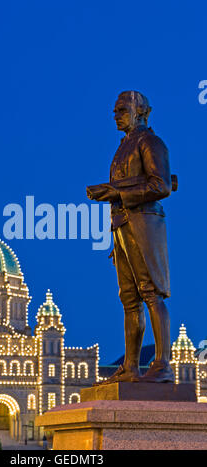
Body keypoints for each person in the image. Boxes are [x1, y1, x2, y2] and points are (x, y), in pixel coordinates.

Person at [87, 91, 175, 383]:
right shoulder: (124, 147)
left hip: (144, 225)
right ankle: (131, 366)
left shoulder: (150, 142)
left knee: (151, 292)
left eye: (122, 110)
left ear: (140, 112)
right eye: (115, 111)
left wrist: (116, 192)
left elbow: (161, 185)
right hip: (121, 228)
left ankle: (162, 363)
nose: (117, 115)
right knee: (129, 299)